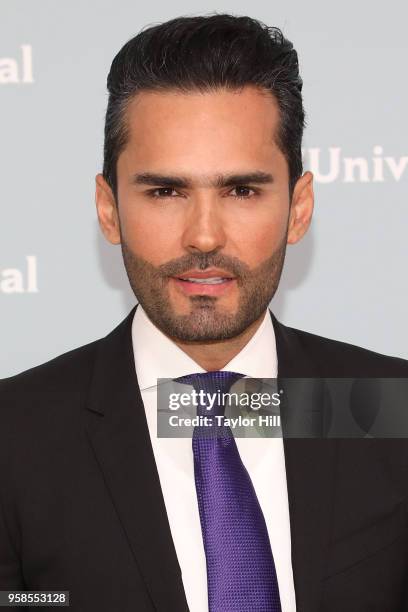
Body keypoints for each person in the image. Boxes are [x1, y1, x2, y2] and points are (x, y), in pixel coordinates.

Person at [1, 13, 407, 612]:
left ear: (298, 208)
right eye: (165, 192)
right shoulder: (13, 438)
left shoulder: (391, 410)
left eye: (242, 191)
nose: (204, 236)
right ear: (108, 208)